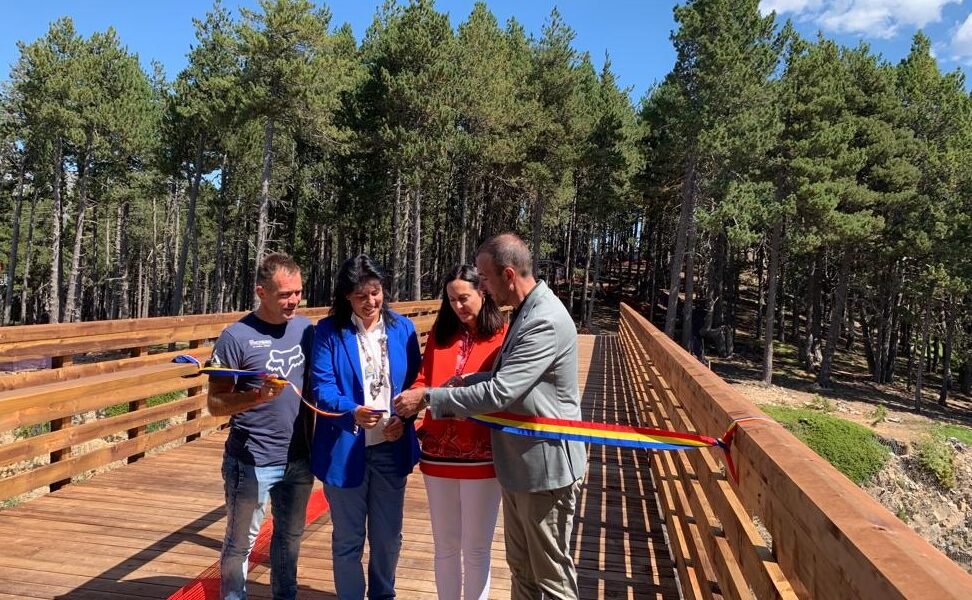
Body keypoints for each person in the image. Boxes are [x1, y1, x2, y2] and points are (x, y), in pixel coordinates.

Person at [395, 233, 588, 600]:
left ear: (508, 274)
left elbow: (502, 392)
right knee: (522, 569)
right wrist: (466, 379)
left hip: (545, 468)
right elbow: (502, 376)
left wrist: (434, 396)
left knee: (551, 577)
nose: (481, 285)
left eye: (484, 278)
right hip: (519, 465)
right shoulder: (527, 310)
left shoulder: (543, 319)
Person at [310, 254, 422, 600]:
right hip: (345, 448)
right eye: (361, 296)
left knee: (388, 537)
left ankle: (383, 595)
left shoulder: (403, 329)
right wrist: (351, 410)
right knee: (348, 538)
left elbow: (416, 383)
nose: (371, 301)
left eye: (376, 292)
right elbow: (322, 386)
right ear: (346, 297)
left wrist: (404, 419)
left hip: (391, 447)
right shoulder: (329, 332)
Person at [207, 252, 315, 600]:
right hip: (251, 461)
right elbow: (215, 404)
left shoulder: (306, 329)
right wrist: (256, 397)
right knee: (241, 543)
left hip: (299, 457)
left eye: (298, 292)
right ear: (261, 292)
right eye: (285, 294)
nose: (293, 300)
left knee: (289, 537)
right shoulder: (235, 337)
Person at [410, 265, 507, 600]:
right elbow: (425, 378)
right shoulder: (440, 332)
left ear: (483, 292)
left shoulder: (504, 336)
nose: (458, 306)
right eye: (451, 300)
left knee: (476, 548)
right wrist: (413, 397)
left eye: (464, 298)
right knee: (445, 546)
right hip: (437, 452)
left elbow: (503, 391)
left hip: (482, 453)